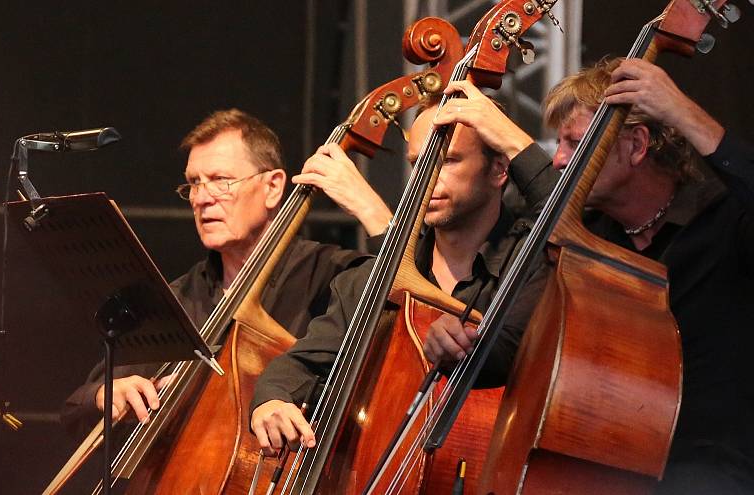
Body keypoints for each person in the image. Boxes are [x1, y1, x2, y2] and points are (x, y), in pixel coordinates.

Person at [249, 90, 558, 456]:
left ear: (499, 169)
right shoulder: (372, 278)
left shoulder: (533, 263)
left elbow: (570, 216)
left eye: (447, 161)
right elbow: (299, 364)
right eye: (418, 164)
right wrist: (271, 402)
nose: (425, 179)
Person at [61, 108, 393, 437]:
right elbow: (74, 411)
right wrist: (105, 395)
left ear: (273, 187)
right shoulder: (178, 298)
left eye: (220, 180)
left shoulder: (332, 275)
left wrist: (372, 210)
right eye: (193, 183)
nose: (201, 198)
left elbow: (408, 297)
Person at [545, 57, 754, 494]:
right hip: (610, 466)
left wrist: (683, 112)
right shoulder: (583, 243)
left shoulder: (725, 216)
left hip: (721, 467)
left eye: (574, 143)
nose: (559, 161)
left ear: (637, 145)